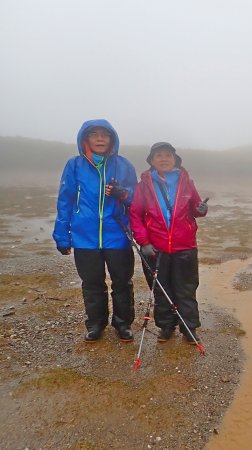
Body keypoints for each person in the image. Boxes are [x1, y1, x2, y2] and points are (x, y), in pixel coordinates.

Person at [53, 119, 137, 343]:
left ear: (112, 139)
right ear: (86, 139)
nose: (100, 139)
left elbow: (138, 199)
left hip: (117, 235)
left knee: (122, 282)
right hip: (85, 237)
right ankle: (96, 324)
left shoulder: (124, 165)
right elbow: (65, 201)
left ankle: (123, 323)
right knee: (92, 283)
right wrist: (62, 235)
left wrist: (123, 193)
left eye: (105, 135)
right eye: (94, 134)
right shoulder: (74, 165)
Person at [129, 142, 208, 344]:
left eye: (168, 155)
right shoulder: (144, 185)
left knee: (186, 289)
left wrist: (201, 208)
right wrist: (144, 242)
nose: (163, 159)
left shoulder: (186, 182)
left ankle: (189, 328)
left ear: (175, 159)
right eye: (158, 155)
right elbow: (135, 215)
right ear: (152, 161)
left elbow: (197, 210)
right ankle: (166, 327)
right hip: (155, 249)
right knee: (161, 290)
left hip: (185, 247)